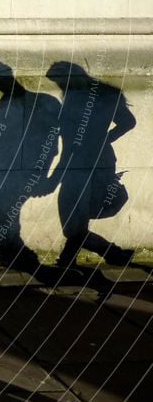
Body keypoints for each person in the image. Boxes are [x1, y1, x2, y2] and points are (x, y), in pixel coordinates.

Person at [0, 61, 61, 272]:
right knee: (0, 225)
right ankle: (20, 262)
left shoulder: (44, 104)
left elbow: (56, 146)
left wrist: (47, 177)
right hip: (0, 178)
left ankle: (29, 264)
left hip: (19, 177)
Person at [46, 62, 135, 268]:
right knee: (77, 220)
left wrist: (55, 177)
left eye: (59, 80)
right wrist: (104, 140)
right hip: (99, 161)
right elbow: (128, 122)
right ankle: (72, 260)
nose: (60, 85)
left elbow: (70, 146)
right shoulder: (105, 94)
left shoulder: (75, 99)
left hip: (82, 165)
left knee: (73, 224)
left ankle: (112, 254)